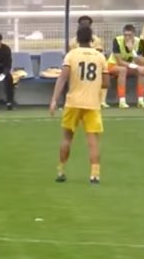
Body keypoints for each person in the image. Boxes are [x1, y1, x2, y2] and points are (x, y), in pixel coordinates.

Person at [50, 26, 107, 184]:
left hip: (73, 102)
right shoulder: (100, 57)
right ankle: (94, 174)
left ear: (77, 39)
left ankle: (61, 170)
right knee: (93, 141)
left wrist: (54, 100)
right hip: (92, 104)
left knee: (67, 138)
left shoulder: (71, 55)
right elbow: (107, 82)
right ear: (92, 39)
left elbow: (62, 78)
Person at [107, 24, 144, 109]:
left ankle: (141, 101)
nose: (127, 37)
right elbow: (119, 62)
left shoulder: (139, 42)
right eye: (125, 35)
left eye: (129, 35)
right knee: (123, 70)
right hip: (113, 65)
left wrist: (132, 51)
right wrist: (136, 67)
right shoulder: (117, 41)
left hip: (128, 66)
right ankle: (122, 101)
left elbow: (141, 62)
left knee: (142, 71)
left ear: (134, 34)